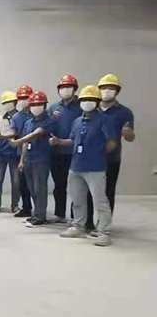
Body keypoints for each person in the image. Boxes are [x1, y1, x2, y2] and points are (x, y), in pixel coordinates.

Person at [55, 85, 117, 246]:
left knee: (100, 201)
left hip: (95, 167)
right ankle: (78, 225)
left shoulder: (105, 120)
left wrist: (98, 154)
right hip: (76, 166)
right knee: (77, 198)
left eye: (91, 99)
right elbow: (72, 140)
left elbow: (112, 142)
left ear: (97, 102)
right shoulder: (77, 121)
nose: (87, 102)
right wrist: (58, 141)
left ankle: (103, 232)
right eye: (84, 99)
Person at [86, 74, 135, 229]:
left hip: (111, 158)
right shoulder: (91, 108)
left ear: (117, 91)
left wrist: (128, 134)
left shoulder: (124, 112)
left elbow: (130, 137)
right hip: (90, 158)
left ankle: (104, 225)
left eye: (111, 88)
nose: (107, 91)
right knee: (88, 192)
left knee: (107, 192)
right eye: (104, 88)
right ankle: (87, 223)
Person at [12, 91, 57, 228]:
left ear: (45, 105)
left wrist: (18, 141)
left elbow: (35, 134)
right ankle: (36, 213)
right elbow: (26, 143)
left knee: (40, 188)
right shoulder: (29, 122)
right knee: (31, 187)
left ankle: (40, 215)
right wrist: (22, 160)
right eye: (33, 105)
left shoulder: (49, 121)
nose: (35, 107)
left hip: (41, 159)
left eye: (39, 104)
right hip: (29, 159)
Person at [48, 74, 82, 223]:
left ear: (74, 89)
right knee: (59, 185)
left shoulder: (81, 106)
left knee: (77, 187)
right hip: (56, 152)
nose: (65, 90)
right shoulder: (54, 108)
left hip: (75, 153)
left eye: (69, 87)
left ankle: (76, 217)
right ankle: (59, 213)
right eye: (62, 87)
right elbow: (48, 126)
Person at [0, 91, 21, 214]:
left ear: (15, 102)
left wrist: (3, 136)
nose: (7, 104)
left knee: (16, 181)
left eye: (9, 102)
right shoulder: (0, 118)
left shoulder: (20, 117)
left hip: (15, 154)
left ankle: (15, 205)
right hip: (0, 153)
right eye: (5, 103)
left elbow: (19, 132)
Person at [9, 85, 34, 218]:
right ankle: (26, 207)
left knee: (36, 185)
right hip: (20, 153)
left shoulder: (38, 115)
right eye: (21, 98)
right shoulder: (17, 117)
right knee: (22, 183)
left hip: (37, 154)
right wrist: (4, 134)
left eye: (26, 97)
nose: (24, 100)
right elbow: (13, 131)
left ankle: (40, 212)